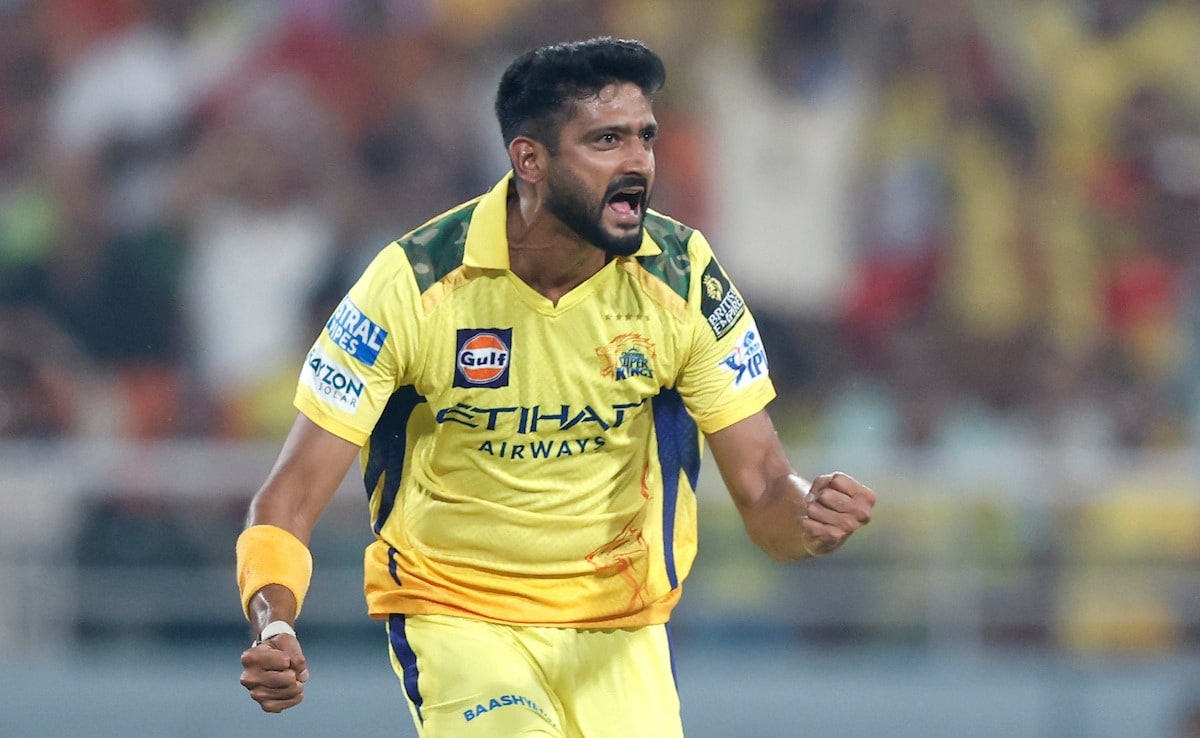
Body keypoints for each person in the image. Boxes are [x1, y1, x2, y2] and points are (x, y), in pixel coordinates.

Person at [236, 36, 876, 737]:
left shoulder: (684, 277)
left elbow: (764, 490)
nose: (637, 162)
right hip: (460, 620)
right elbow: (289, 495)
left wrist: (809, 519)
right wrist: (275, 624)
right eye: (606, 140)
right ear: (529, 160)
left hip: (624, 632)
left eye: (645, 137)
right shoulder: (411, 284)